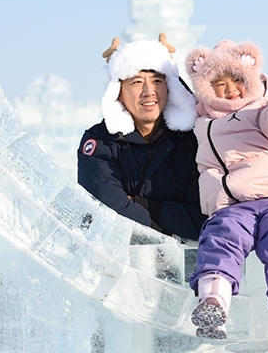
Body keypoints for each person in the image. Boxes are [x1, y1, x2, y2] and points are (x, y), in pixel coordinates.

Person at [183, 39, 268, 353]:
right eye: (219, 84)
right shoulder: (202, 119)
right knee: (221, 236)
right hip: (234, 202)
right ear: (205, 87)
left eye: (238, 81)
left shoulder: (264, 103)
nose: (231, 90)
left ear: (251, 79)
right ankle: (213, 302)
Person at [77, 35, 207, 241]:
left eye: (157, 81)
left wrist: (139, 203)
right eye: (137, 82)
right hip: (112, 263)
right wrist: (170, 226)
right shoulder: (99, 142)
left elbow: (203, 221)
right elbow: (109, 211)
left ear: (170, 87)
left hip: (183, 265)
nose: (149, 92)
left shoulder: (193, 140)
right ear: (118, 92)